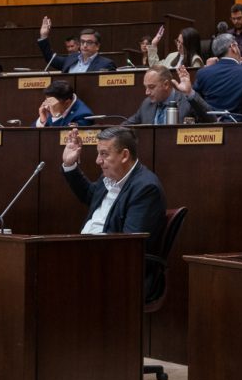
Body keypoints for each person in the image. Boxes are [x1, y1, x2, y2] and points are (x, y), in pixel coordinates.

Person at [60, 125, 167, 297]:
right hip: (90, 257)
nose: (98, 161)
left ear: (124, 155)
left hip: (114, 270)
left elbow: (129, 245)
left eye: (104, 154)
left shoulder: (145, 188)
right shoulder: (109, 177)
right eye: (98, 153)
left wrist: (84, 252)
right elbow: (90, 195)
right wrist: (69, 165)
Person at [193, 33, 242, 120]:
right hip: (239, 130)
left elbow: (196, 104)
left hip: (210, 129)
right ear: (233, 47)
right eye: (238, 46)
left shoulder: (202, 73)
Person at [124, 65, 215, 125]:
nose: (147, 92)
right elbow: (126, 126)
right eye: (146, 87)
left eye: (151, 87)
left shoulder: (186, 101)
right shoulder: (146, 104)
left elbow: (212, 120)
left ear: (166, 85)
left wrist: (189, 92)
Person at [37, 17, 116, 73]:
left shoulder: (106, 64)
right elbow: (50, 58)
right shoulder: (71, 59)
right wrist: (44, 36)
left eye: (89, 42)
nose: (84, 45)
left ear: (97, 46)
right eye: (82, 42)